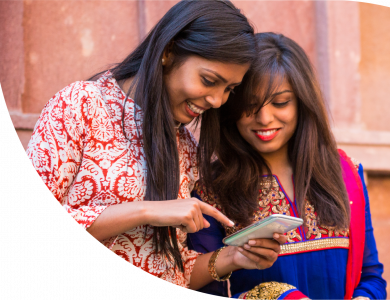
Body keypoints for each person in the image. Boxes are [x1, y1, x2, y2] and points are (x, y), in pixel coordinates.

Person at [26, 0, 286, 290]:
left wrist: (235, 256)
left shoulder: (184, 144)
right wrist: (147, 211)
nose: (216, 100)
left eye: (228, 89)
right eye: (209, 80)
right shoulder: (81, 105)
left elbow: (174, 271)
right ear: (168, 51)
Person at [188, 32, 387, 299]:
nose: (264, 118)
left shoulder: (342, 173)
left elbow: (371, 276)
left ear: (302, 103)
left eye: (281, 102)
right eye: (249, 106)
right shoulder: (212, 191)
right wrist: (273, 296)